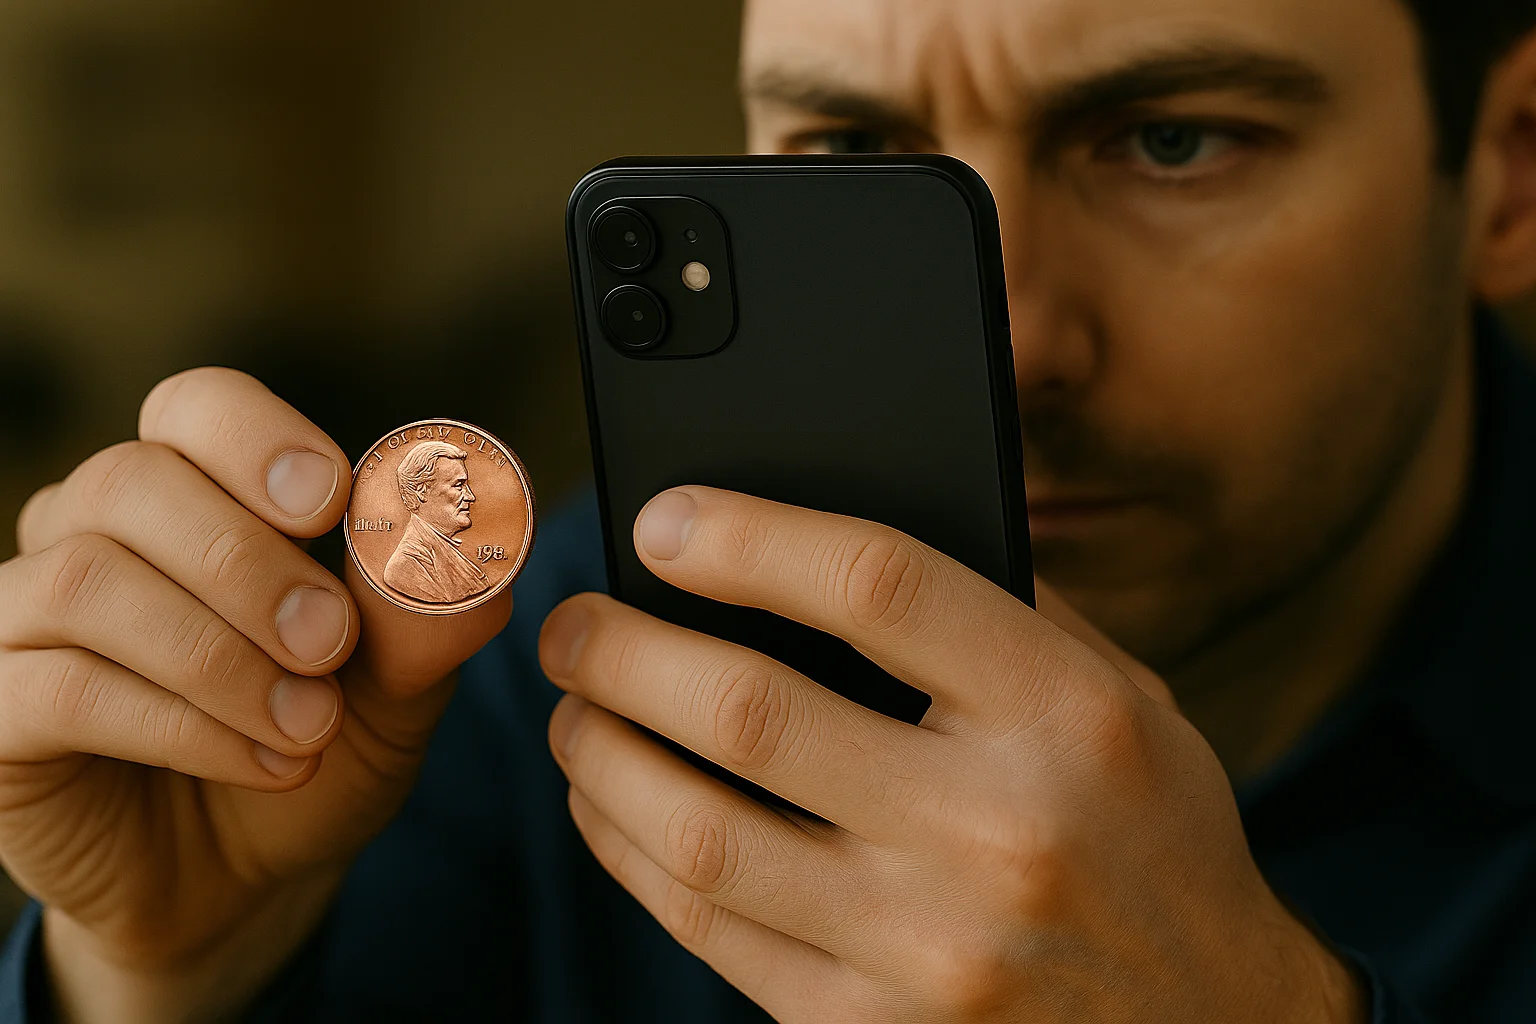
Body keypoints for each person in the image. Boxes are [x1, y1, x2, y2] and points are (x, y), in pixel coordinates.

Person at [2, 0, 1535, 1019]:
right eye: (854, 153)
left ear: (1513, 177)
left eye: (1175, 142)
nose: (1015, 345)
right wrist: (165, 979)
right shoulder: (539, 642)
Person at [381, 441, 489, 605]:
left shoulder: (444, 551)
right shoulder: (404, 567)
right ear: (422, 491)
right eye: (459, 485)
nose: (470, 496)